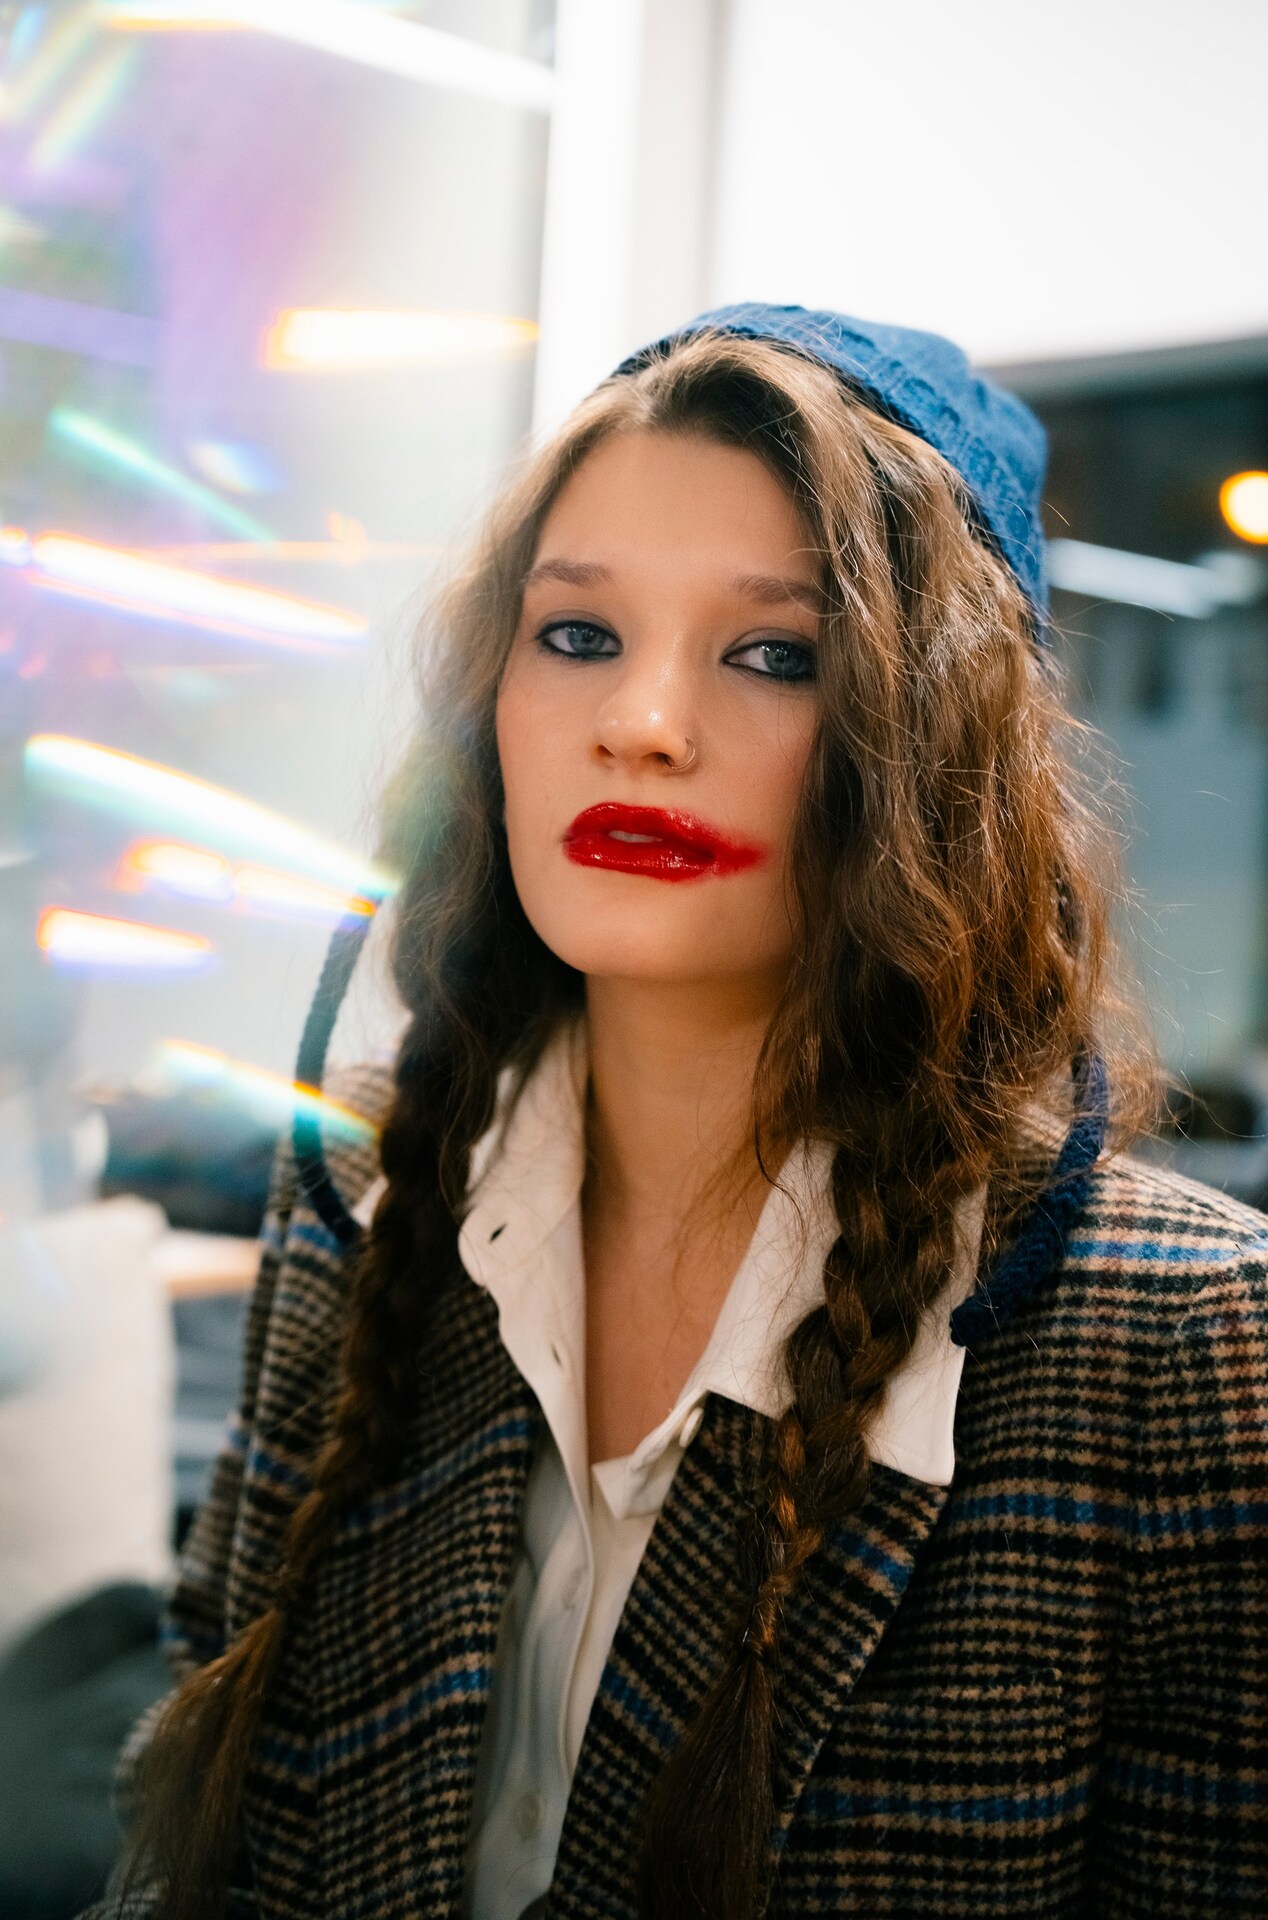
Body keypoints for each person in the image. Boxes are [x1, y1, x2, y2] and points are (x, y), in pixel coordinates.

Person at [99, 306, 1267, 1919]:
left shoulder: (1188, 1346)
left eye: (777, 655)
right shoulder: (359, 1215)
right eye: (577, 634)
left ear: (936, 753)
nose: (642, 721)